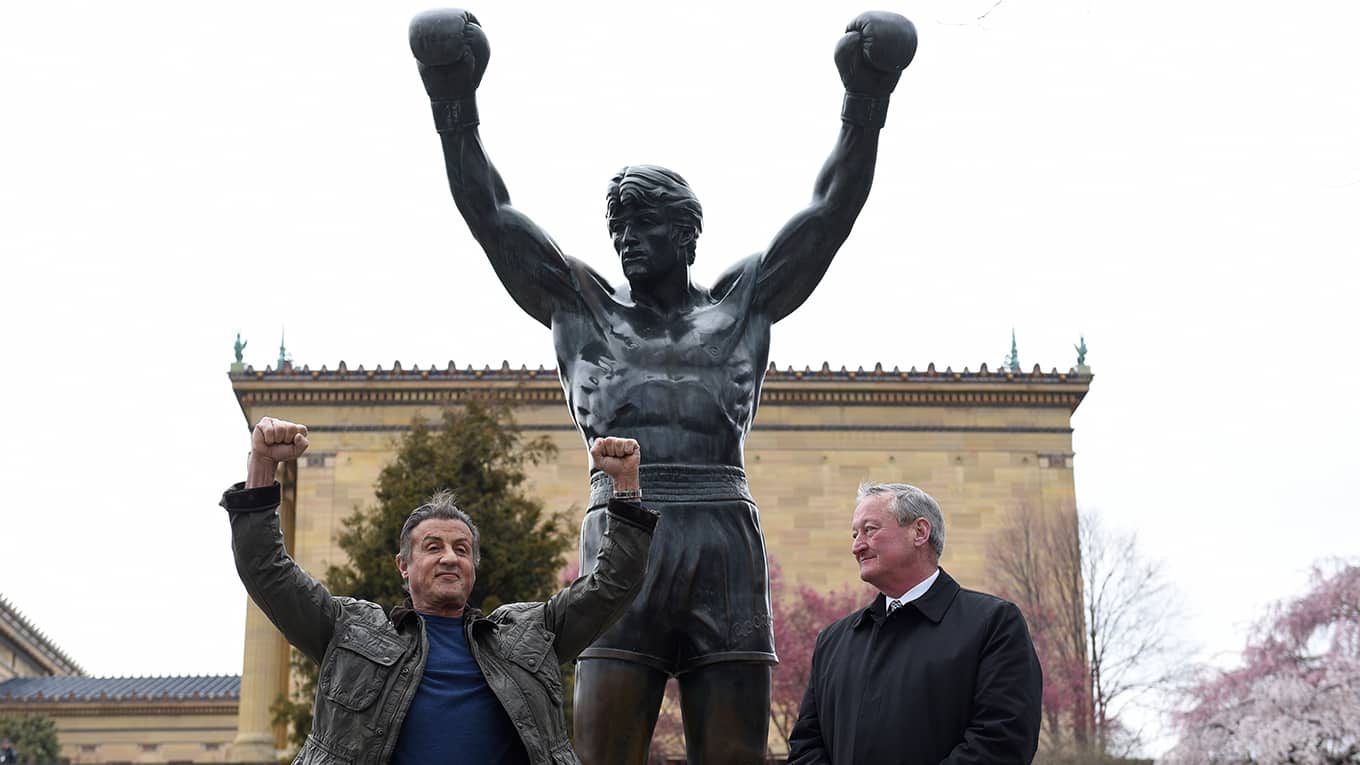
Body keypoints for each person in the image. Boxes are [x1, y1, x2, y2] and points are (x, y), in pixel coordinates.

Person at [408, 9, 917, 763]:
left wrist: (866, 100)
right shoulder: (583, 308)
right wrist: (453, 99)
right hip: (623, 533)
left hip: (723, 534)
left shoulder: (742, 306)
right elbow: (491, 215)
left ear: (683, 234)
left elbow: (830, 213)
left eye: (639, 226)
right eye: (616, 227)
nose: (623, 240)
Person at [221, 416, 657, 765]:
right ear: (403, 566)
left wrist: (625, 487)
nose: (450, 557)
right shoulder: (347, 629)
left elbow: (611, 585)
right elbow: (267, 571)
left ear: (473, 567)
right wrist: (262, 466)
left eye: (461, 549)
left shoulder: (533, 632)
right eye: (433, 547)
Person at [787, 483, 1043, 764]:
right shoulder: (832, 642)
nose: (856, 546)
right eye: (855, 534)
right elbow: (806, 745)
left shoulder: (993, 624)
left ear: (919, 532)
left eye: (870, 530)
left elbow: (1002, 741)